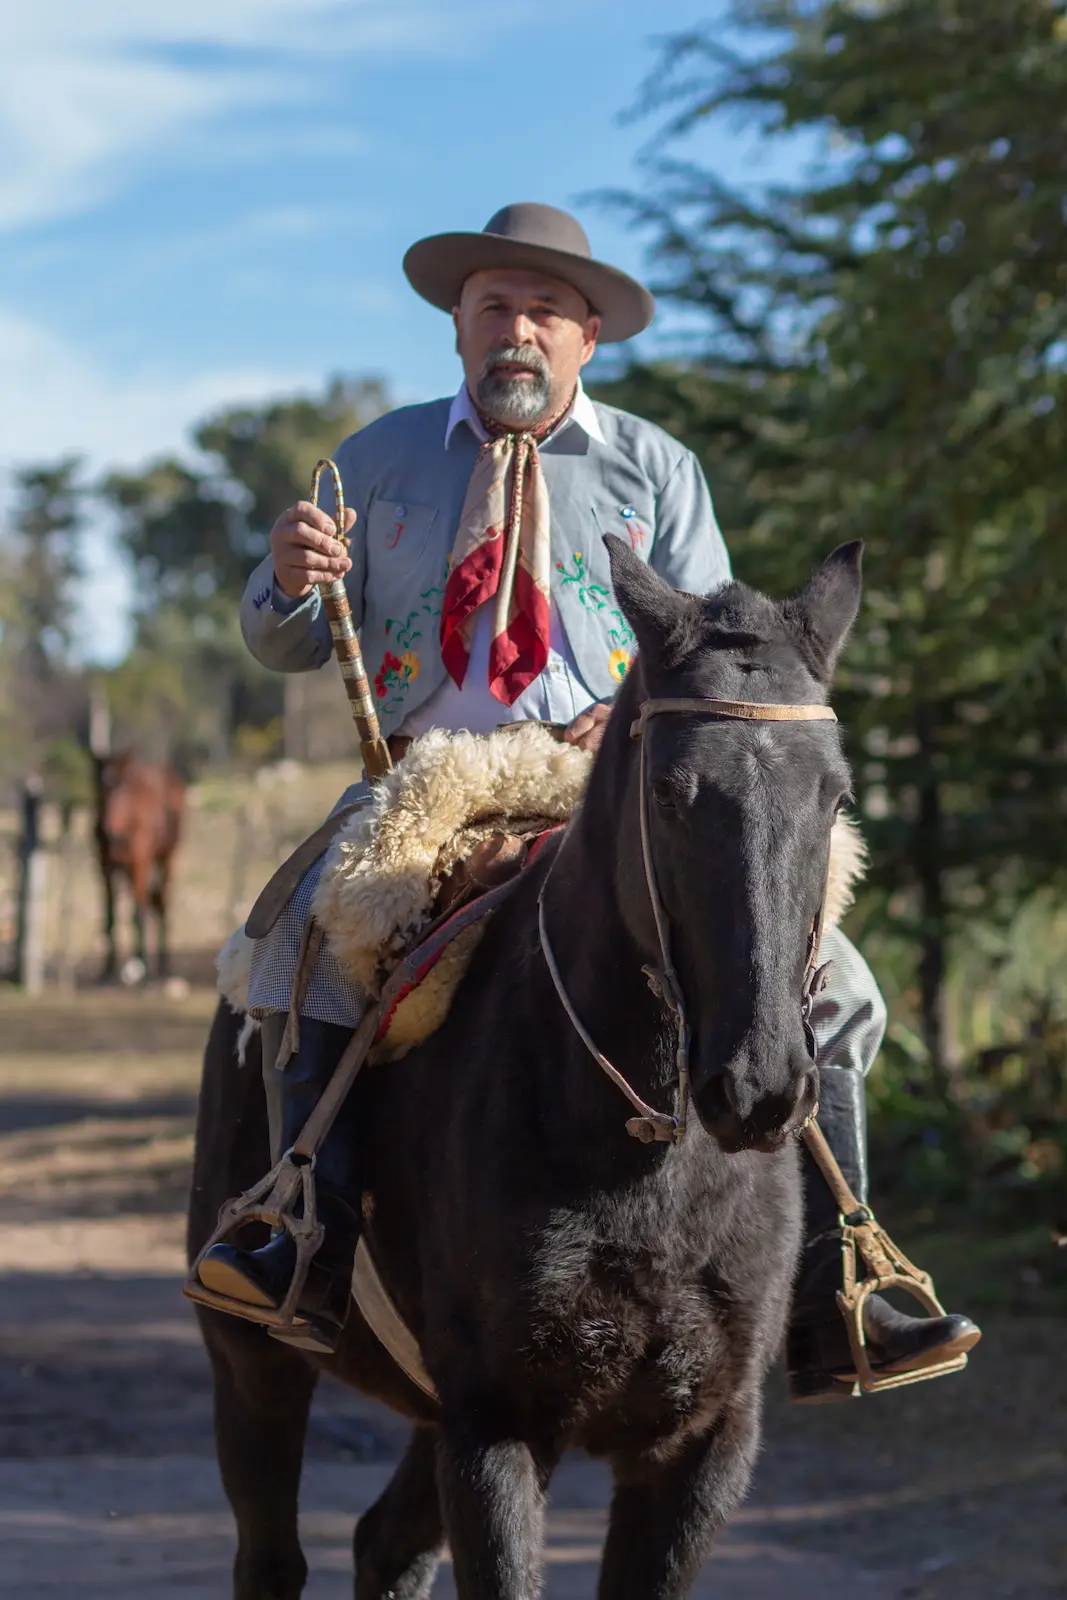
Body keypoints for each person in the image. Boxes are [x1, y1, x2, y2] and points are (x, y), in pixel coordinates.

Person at [196, 202, 980, 1395]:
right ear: (458, 326)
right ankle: (298, 1229)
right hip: (425, 786)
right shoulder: (376, 458)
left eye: (545, 312)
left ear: (589, 335)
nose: (518, 332)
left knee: (841, 983)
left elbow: (724, 655)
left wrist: (639, 727)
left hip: (614, 794)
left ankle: (848, 1282)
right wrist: (287, 582)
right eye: (494, 307)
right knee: (287, 950)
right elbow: (282, 642)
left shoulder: (655, 468)